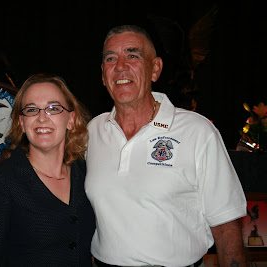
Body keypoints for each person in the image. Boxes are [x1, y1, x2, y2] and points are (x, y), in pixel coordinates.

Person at [85, 25, 247, 266]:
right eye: (111, 58)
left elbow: (226, 228)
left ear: (155, 69)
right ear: (102, 74)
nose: (120, 66)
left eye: (132, 55)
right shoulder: (92, 131)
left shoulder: (197, 131)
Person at [0, 73, 95, 266]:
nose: (41, 118)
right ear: (21, 123)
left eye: (53, 108)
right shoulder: (0, 182)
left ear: (71, 120)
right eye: (31, 110)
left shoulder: (87, 175)